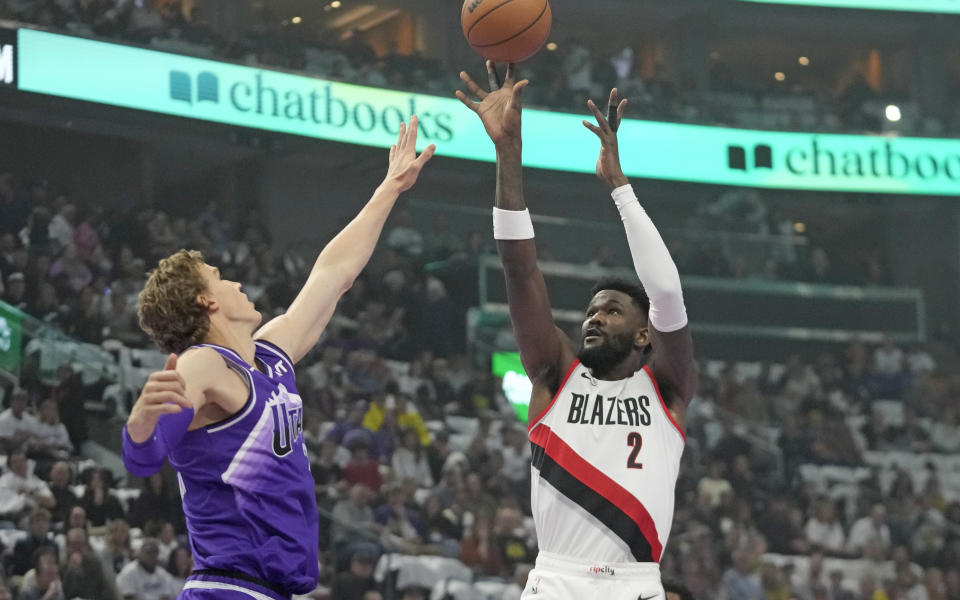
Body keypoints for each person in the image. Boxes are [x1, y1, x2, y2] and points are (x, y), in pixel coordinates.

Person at [120, 119, 434, 599]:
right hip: (229, 587)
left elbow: (333, 272)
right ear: (206, 302)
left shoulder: (269, 356)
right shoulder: (202, 363)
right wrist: (140, 424)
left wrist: (388, 189)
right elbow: (144, 460)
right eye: (220, 277)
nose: (236, 283)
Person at [456, 63, 696, 599]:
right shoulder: (553, 374)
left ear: (643, 336)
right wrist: (508, 151)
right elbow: (520, 268)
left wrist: (620, 189)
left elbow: (668, 295)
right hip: (557, 579)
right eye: (591, 310)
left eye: (611, 311)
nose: (594, 318)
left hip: (636, 584)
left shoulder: (667, 388)